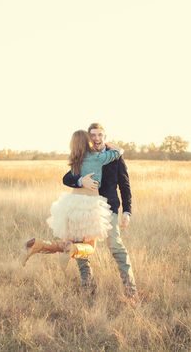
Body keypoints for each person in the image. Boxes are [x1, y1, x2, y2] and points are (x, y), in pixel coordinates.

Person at [22, 130, 123, 268]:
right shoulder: (97, 157)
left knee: (67, 242)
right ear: (88, 142)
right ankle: (73, 250)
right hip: (90, 205)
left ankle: (38, 245)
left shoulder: (75, 160)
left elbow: (68, 177)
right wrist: (110, 144)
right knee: (89, 247)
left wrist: (80, 180)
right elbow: (118, 152)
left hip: (71, 204)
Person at [63, 123, 137, 299]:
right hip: (87, 208)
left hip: (108, 208)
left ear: (105, 137)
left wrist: (127, 211)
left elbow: (125, 185)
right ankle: (88, 287)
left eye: (100, 135)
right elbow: (67, 178)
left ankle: (131, 291)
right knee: (81, 246)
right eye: (93, 135)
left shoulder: (115, 157)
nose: (96, 138)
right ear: (89, 137)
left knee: (115, 246)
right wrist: (81, 181)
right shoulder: (84, 156)